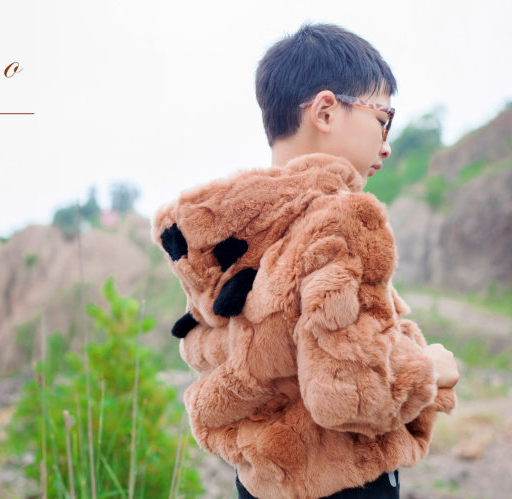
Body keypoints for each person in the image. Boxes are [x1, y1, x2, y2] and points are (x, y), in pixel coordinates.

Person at [151, 23, 459, 499]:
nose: (386, 143)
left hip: (261, 480)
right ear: (326, 111)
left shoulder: (231, 235)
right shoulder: (342, 218)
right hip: (344, 483)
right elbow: (348, 393)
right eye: (383, 118)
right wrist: (430, 368)